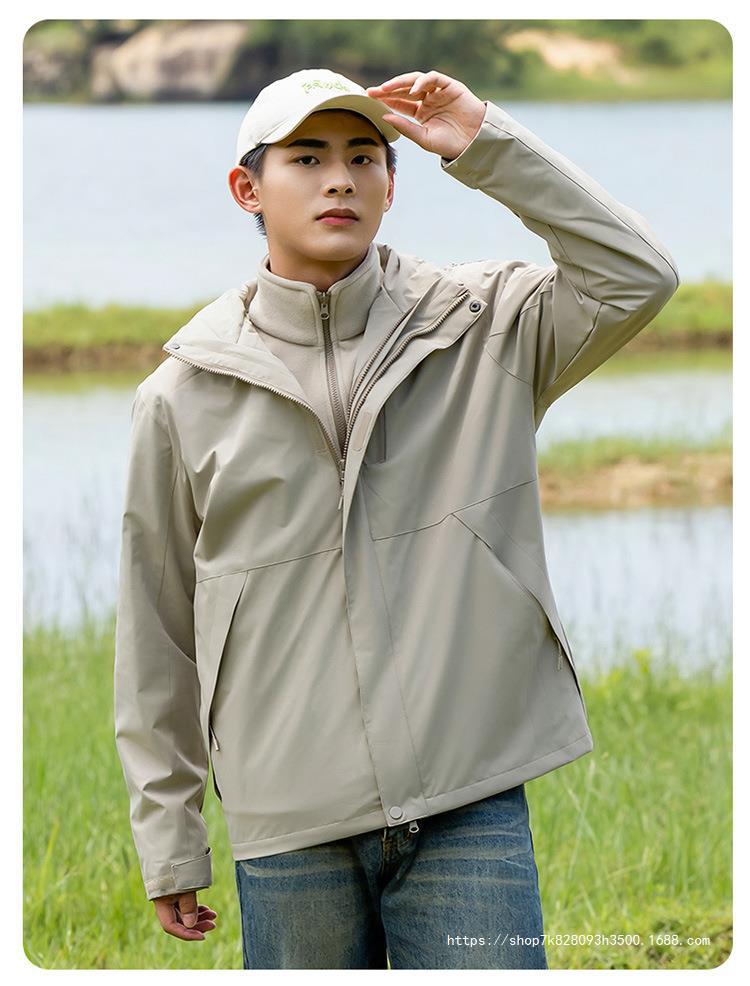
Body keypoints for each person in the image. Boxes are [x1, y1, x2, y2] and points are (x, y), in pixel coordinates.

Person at [113, 67, 679, 969]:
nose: (339, 179)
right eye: (308, 158)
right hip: (289, 819)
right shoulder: (183, 393)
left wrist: (487, 144)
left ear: (391, 183)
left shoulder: (484, 323)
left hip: (468, 799)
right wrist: (170, 837)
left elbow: (637, 275)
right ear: (248, 190)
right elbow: (157, 634)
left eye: (363, 157)